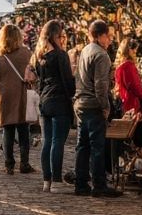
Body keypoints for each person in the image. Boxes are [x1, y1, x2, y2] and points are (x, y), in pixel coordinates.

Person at [73, 19, 122, 198]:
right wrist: (105, 106)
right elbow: (101, 85)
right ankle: (99, 184)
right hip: (93, 104)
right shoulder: (101, 55)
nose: (110, 40)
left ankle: (81, 182)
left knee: (82, 145)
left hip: (81, 103)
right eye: (108, 36)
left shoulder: (86, 50)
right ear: (100, 36)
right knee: (97, 146)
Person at [0, 24, 35, 174]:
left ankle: (9, 164)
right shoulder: (26, 53)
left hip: (5, 95)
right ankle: (24, 163)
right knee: (24, 130)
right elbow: (33, 74)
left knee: (8, 130)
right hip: (22, 94)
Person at [33, 20, 75, 192]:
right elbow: (67, 80)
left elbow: (40, 82)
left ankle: (47, 180)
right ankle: (56, 180)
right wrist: (72, 96)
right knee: (57, 141)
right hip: (59, 101)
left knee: (47, 141)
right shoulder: (60, 55)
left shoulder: (40, 55)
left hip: (45, 101)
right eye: (62, 36)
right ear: (56, 36)